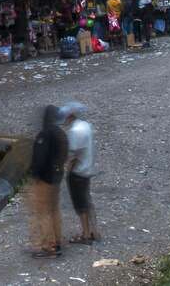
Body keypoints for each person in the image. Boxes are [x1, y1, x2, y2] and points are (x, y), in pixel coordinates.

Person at [27, 104, 69, 258]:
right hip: (57, 178)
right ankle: (57, 240)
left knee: (43, 212)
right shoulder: (61, 134)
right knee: (54, 210)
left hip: (45, 178)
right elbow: (64, 156)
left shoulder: (44, 134)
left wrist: (35, 175)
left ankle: (48, 246)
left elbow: (40, 158)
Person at [62, 103, 98, 243]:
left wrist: (67, 170)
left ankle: (86, 234)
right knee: (87, 201)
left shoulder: (75, 132)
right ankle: (94, 231)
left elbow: (73, 155)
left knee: (80, 204)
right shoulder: (85, 126)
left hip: (78, 172)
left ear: (70, 116)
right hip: (87, 169)